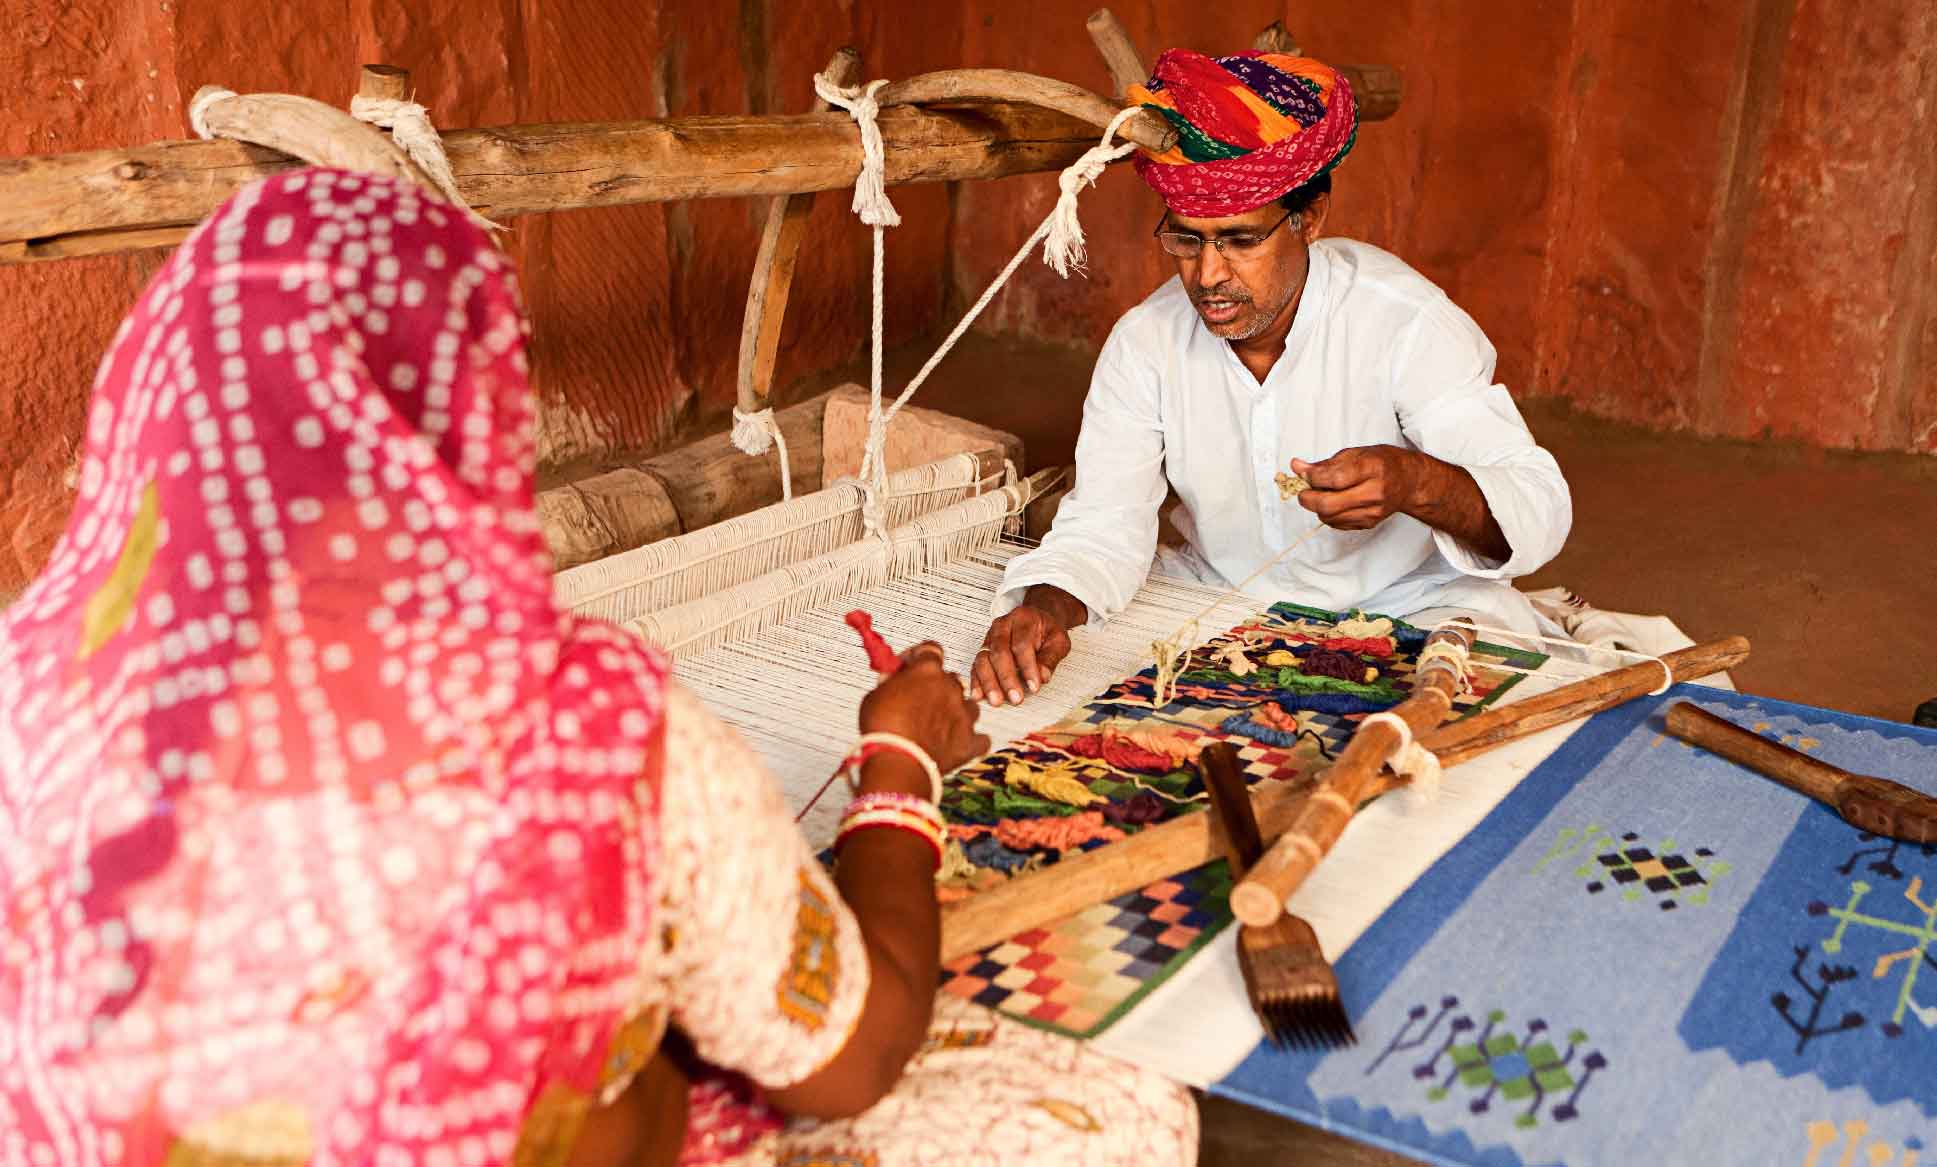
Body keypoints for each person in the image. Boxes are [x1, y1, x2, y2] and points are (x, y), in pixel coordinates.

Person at [0, 170, 1196, 1166]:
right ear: (473, 419)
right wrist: (900, 767)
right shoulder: (573, 724)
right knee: (1119, 1115)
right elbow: (853, 1059)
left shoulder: (24, 691)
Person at [972, 50, 1572, 708]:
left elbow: (1537, 511)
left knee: (1451, 726)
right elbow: (1104, 523)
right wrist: (1048, 607)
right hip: (1224, 605)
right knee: (1112, 722)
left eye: (1239, 240)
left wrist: (1414, 482)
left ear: (1308, 218)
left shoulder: (1405, 322)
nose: (1208, 275)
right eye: (1187, 240)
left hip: (1414, 606)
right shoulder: (1145, 344)